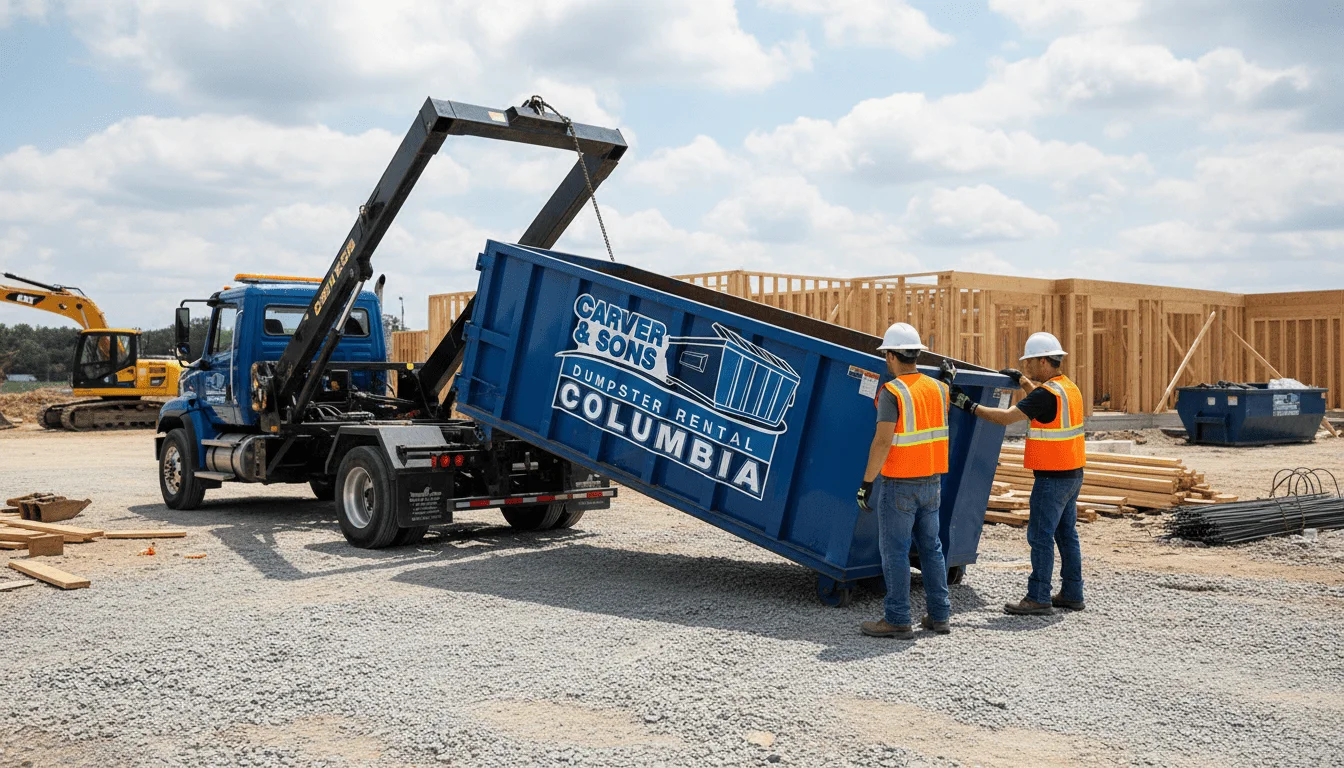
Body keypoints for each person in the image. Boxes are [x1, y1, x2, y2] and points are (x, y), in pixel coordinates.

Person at [947, 331, 1086, 616]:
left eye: (1030, 363)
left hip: (1052, 478)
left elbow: (1005, 418)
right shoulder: (1068, 388)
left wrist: (968, 405)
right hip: (1072, 474)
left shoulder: (1047, 395)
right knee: (1066, 535)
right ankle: (1073, 592)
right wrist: (1022, 381)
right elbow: (1039, 400)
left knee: (1040, 536)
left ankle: (1038, 597)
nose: (1027, 367)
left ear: (1045, 361)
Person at [856, 322, 953, 639]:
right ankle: (940, 616)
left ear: (890, 357)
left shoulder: (892, 392)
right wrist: (947, 380)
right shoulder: (939, 388)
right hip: (932, 482)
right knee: (932, 549)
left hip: (900, 484)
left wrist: (867, 483)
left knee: (895, 552)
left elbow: (882, 442)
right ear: (916, 355)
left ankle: (897, 618)